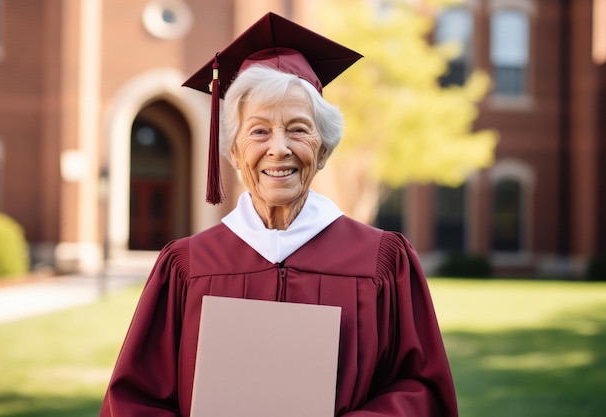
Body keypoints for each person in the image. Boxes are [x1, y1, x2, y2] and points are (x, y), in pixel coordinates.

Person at [100, 12, 458, 417]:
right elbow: (135, 400)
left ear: (323, 151)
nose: (278, 148)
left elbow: (422, 389)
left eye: (298, 129)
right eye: (258, 131)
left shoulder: (382, 261)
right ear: (233, 153)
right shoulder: (187, 266)